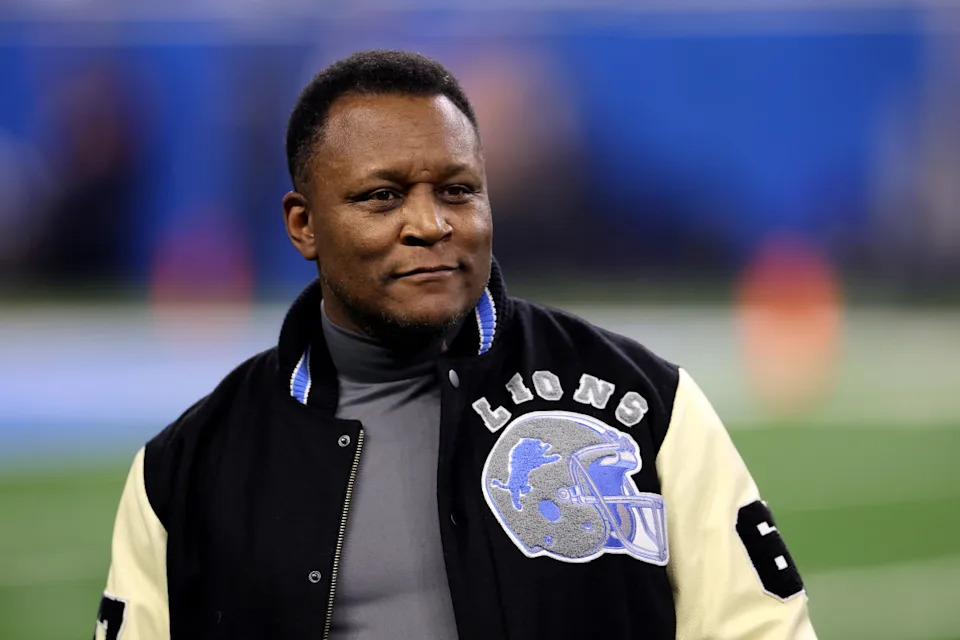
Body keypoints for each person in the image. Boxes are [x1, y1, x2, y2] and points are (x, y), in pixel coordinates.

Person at [95, 50, 817, 640]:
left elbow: (760, 627)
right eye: (382, 196)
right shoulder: (184, 469)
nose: (430, 223)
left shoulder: (643, 406)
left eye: (458, 190)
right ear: (303, 226)